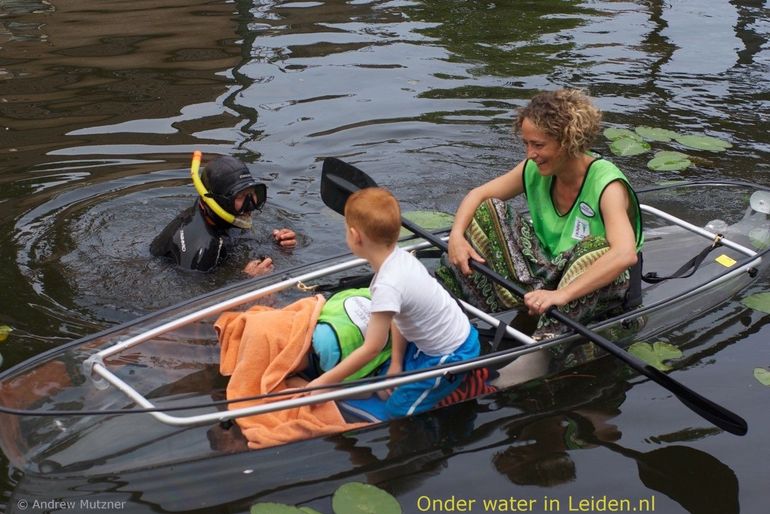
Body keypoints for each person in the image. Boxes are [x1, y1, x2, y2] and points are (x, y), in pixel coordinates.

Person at [438, 88, 643, 376]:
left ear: (569, 141)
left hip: (597, 277)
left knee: (594, 246)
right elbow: (479, 195)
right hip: (550, 269)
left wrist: (561, 295)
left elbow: (625, 254)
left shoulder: (607, 185)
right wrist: (457, 238)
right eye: (527, 144)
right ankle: (460, 307)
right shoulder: (533, 168)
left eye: (538, 145)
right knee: (489, 210)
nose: (531, 154)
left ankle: (542, 343)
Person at [307, 187, 480, 418]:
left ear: (355, 236)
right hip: (431, 343)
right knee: (384, 388)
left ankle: (460, 386)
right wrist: (396, 363)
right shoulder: (399, 257)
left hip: (453, 354)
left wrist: (323, 383)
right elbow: (400, 317)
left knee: (397, 411)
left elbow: (372, 348)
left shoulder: (388, 284)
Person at [150, 155, 296, 275]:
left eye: (252, 194)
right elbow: (197, 295)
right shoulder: (202, 244)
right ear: (216, 201)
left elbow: (240, 241)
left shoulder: (222, 218)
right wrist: (247, 278)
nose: (250, 204)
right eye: (241, 196)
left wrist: (276, 244)